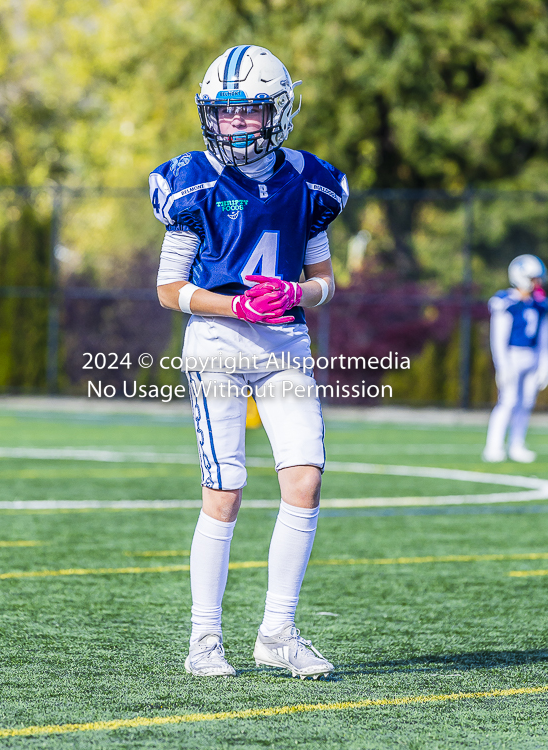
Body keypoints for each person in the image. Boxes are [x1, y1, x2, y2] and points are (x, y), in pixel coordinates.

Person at [149, 45, 348, 679]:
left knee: (306, 481)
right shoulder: (192, 182)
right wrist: (237, 310)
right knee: (225, 489)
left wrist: (297, 293)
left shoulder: (309, 181)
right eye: (224, 113)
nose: (235, 124)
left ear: (278, 111)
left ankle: (278, 633)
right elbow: (168, 288)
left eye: (249, 112)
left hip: (285, 345)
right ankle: (204, 638)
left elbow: (325, 282)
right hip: (217, 344)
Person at [482, 254, 548, 463]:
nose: (536, 283)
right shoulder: (507, 301)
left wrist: (545, 364)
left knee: (526, 402)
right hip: (512, 356)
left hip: (532, 356)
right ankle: (493, 446)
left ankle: (517, 445)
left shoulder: (539, 304)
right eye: (532, 278)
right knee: (508, 401)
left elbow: (544, 337)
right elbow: (498, 337)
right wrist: (502, 365)